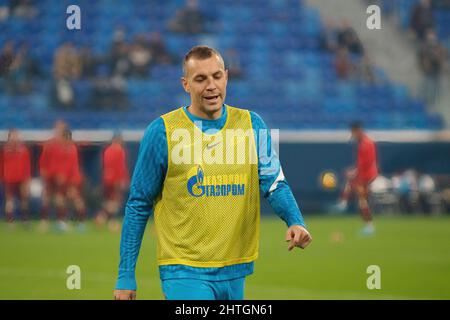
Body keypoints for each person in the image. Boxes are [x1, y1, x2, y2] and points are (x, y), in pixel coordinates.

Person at [113, 45, 312, 300]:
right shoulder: (162, 132)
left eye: (217, 76)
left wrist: (295, 220)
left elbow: (275, 183)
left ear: (226, 77)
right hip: (183, 269)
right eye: (200, 79)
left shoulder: (252, 125)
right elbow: (139, 204)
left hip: (235, 269)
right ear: (185, 84)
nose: (211, 85)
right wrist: (125, 274)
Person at [337, 122, 379, 235]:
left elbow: (366, 163)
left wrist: (354, 172)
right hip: (364, 175)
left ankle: (344, 203)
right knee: (361, 200)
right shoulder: (364, 143)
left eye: (353, 132)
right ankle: (344, 202)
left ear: (357, 130)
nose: (352, 135)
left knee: (362, 200)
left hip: (366, 176)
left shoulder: (366, 144)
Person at [95, 133, 129, 232]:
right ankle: (111, 222)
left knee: (110, 201)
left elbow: (106, 166)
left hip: (107, 179)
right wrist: (122, 180)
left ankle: (101, 218)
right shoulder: (119, 150)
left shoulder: (107, 150)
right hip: (115, 180)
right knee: (115, 201)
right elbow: (120, 167)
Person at [39, 120, 69, 232]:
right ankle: (44, 221)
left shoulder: (66, 145)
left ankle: (61, 221)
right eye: (59, 128)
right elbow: (43, 160)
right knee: (46, 198)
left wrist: (65, 174)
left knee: (60, 198)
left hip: (60, 176)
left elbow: (67, 162)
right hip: (50, 175)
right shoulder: (49, 144)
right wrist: (43, 172)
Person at [1, 129, 31, 225]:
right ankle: (10, 221)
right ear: (9, 137)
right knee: (10, 200)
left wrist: (28, 178)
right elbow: (1, 165)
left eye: (16, 135)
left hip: (22, 178)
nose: (15, 137)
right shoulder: (4, 150)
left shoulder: (24, 149)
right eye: (13, 136)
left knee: (24, 199)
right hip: (9, 178)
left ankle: (24, 220)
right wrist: (2, 177)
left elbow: (27, 165)